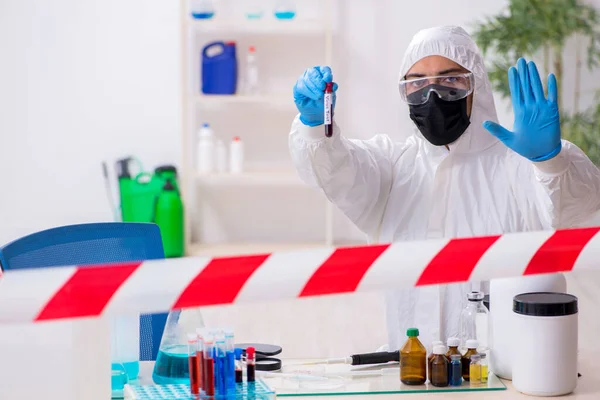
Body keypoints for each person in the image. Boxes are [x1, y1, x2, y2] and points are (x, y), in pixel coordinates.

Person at [289, 25, 600, 350]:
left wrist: (550, 161)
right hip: (413, 367)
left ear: (475, 85)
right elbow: (337, 170)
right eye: (418, 83)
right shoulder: (393, 166)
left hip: (506, 374)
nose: (433, 95)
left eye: (451, 80)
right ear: (404, 92)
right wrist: (314, 128)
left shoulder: (520, 165)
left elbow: (579, 209)